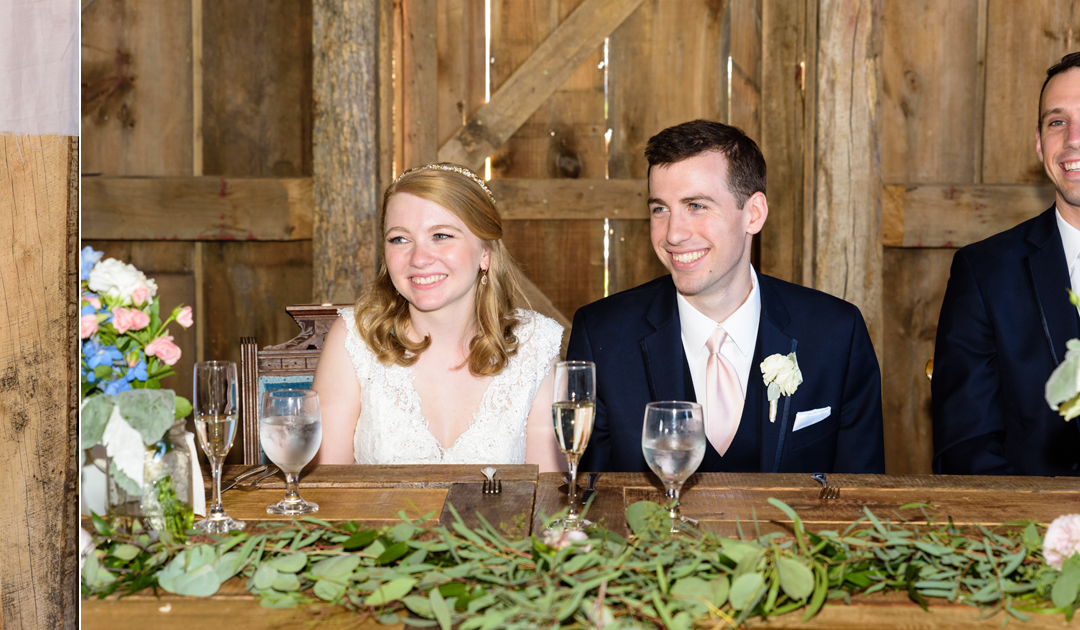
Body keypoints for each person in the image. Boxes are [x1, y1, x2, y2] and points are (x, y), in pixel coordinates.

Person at [568, 120, 884, 474]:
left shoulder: (836, 333)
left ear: (754, 214)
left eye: (696, 206)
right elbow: (586, 504)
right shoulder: (601, 335)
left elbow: (863, 503)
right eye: (660, 209)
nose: (673, 234)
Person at [312, 165, 565, 468]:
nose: (419, 259)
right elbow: (326, 491)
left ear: (485, 252)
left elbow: (546, 497)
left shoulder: (534, 344)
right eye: (399, 239)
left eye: (441, 235)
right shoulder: (354, 337)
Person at [932, 52, 1080, 476]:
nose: (1073, 138)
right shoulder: (985, 274)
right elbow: (965, 446)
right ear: (1039, 143)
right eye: (1057, 122)